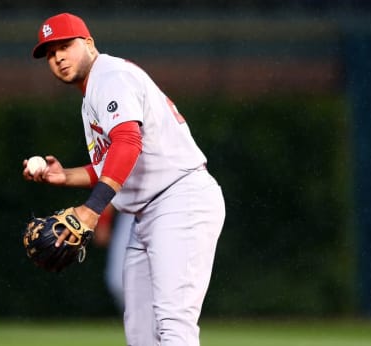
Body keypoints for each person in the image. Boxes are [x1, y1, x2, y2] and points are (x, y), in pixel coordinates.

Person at [23, 12, 226, 346]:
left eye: (65, 45)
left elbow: (128, 143)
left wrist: (91, 210)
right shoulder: (92, 95)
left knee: (174, 325)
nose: (57, 57)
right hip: (147, 212)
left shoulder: (110, 77)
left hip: (180, 200)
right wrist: (65, 176)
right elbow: (114, 162)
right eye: (49, 52)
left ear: (88, 43)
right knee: (141, 333)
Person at [95, 206, 134, 312]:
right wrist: (103, 221)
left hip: (171, 211)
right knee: (119, 282)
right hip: (131, 213)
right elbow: (110, 190)